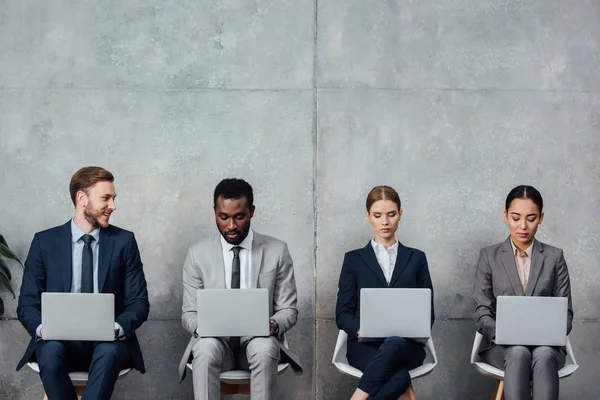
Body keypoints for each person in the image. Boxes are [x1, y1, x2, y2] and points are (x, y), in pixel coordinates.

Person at [16, 166, 150, 400]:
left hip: (107, 341)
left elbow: (139, 303)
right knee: (48, 350)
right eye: (106, 198)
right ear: (82, 198)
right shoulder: (44, 242)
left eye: (113, 198)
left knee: (109, 351)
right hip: (58, 341)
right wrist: (42, 329)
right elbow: (27, 304)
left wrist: (115, 328)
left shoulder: (124, 241)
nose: (113, 206)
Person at [178, 178, 302, 400]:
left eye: (239, 216)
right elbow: (189, 313)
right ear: (215, 212)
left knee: (264, 349)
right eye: (223, 217)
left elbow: (288, 310)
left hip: (257, 342)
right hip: (216, 344)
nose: (231, 226)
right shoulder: (198, 254)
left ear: (251, 212)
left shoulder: (277, 251)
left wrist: (273, 324)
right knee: (204, 349)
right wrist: (203, 326)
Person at [473, 185, 573, 400]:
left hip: (546, 346)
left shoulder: (555, 258)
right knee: (518, 351)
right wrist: (507, 335)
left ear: (541, 218)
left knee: (544, 354)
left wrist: (545, 336)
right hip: (501, 346)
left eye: (531, 218)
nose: (523, 226)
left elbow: (566, 314)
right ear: (505, 215)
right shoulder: (489, 256)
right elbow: (482, 312)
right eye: (516, 218)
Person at [335, 185, 434, 400]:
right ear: (368, 216)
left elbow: (429, 313)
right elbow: (342, 314)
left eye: (391, 214)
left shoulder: (417, 258)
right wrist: (360, 330)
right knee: (399, 378)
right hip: (365, 346)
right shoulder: (353, 259)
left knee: (395, 342)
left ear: (400, 214)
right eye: (377, 215)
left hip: (406, 346)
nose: (385, 222)